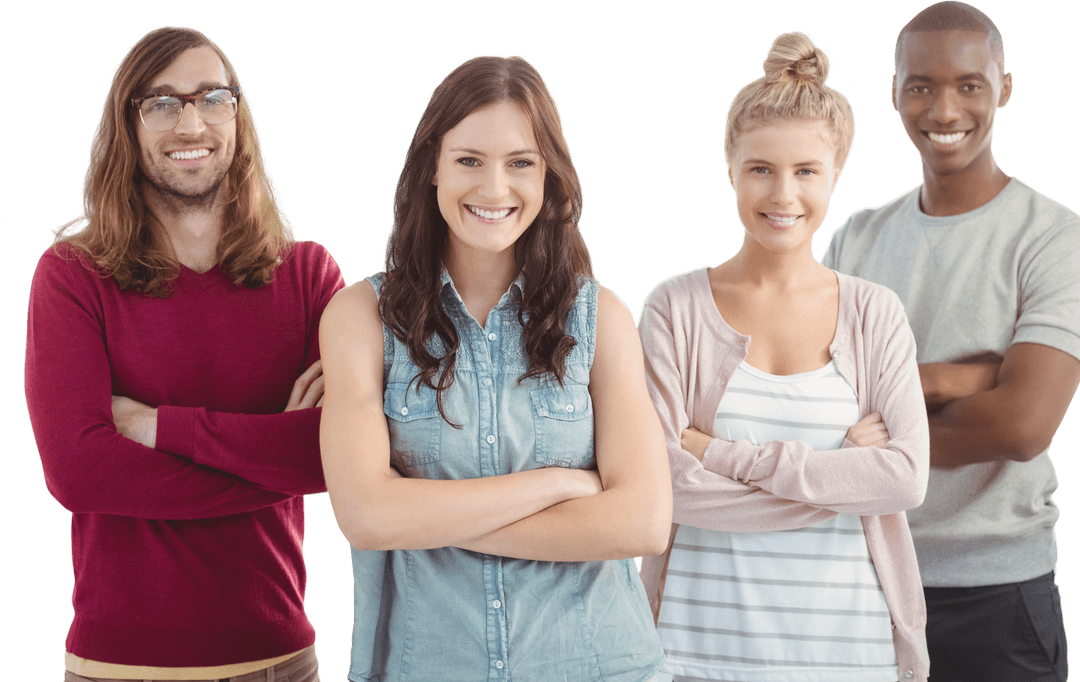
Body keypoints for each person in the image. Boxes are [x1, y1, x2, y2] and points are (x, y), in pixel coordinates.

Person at [318, 54, 672, 681]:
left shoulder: (601, 317)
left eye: (520, 164)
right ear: (432, 165)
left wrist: (424, 518)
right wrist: (559, 485)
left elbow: (642, 522)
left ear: (547, 176)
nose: (494, 189)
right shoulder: (358, 318)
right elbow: (367, 519)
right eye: (469, 160)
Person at [24, 26, 343, 681]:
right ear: (128, 126)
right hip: (119, 667)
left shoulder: (309, 276)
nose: (191, 121)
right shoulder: (72, 276)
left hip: (282, 660)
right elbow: (78, 474)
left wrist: (155, 426)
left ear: (238, 116)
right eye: (162, 103)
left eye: (212, 97)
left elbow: (335, 456)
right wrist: (272, 453)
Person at [638, 31, 931, 682]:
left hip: (851, 657)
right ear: (730, 168)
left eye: (806, 171)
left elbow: (907, 479)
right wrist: (848, 479)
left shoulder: (874, 313)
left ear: (837, 174)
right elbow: (658, 490)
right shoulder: (674, 308)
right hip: (692, 657)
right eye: (761, 169)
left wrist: (717, 453)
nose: (782, 195)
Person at [821, 3, 1078, 680]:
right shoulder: (856, 237)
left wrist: (885, 419)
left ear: (1006, 87)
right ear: (896, 94)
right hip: (863, 583)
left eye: (969, 85)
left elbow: (1023, 425)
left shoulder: (1055, 237)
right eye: (921, 86)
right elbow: (818, 406)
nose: (944, 109)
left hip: (999, 597)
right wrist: (960, 378)